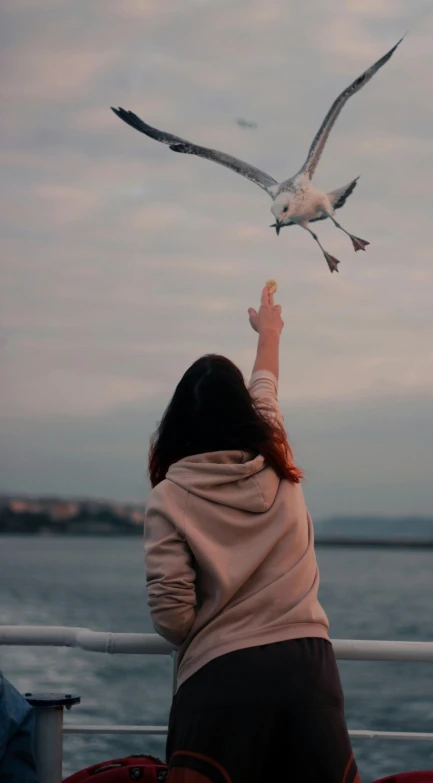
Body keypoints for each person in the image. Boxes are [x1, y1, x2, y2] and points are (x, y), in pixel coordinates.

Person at [144, 285, 361, 783]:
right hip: (310, 673)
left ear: (176, 425)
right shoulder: (278, 457)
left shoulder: (170, 496)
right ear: (245, 414)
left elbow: (173, 620)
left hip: (222, 685)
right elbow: (265, 386)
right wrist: (269, 331)